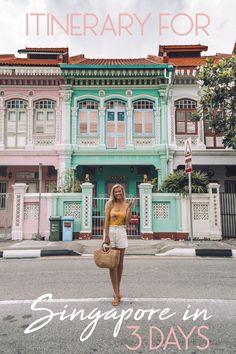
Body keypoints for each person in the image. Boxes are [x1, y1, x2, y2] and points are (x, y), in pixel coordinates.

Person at [103, 184, 134, 306]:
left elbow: (127, 221)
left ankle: (117, 289)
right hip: (110, 231)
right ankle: (116, 294)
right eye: (116, 192)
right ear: (113, 193)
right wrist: (106, 237)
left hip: (121, 232)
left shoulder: (126, 205)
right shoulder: (109, 204)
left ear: (123, 192)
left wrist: (130, 208)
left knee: (120, 263)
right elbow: (106, 221)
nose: (118, 193)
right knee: (112, 264)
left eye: (120, 191)